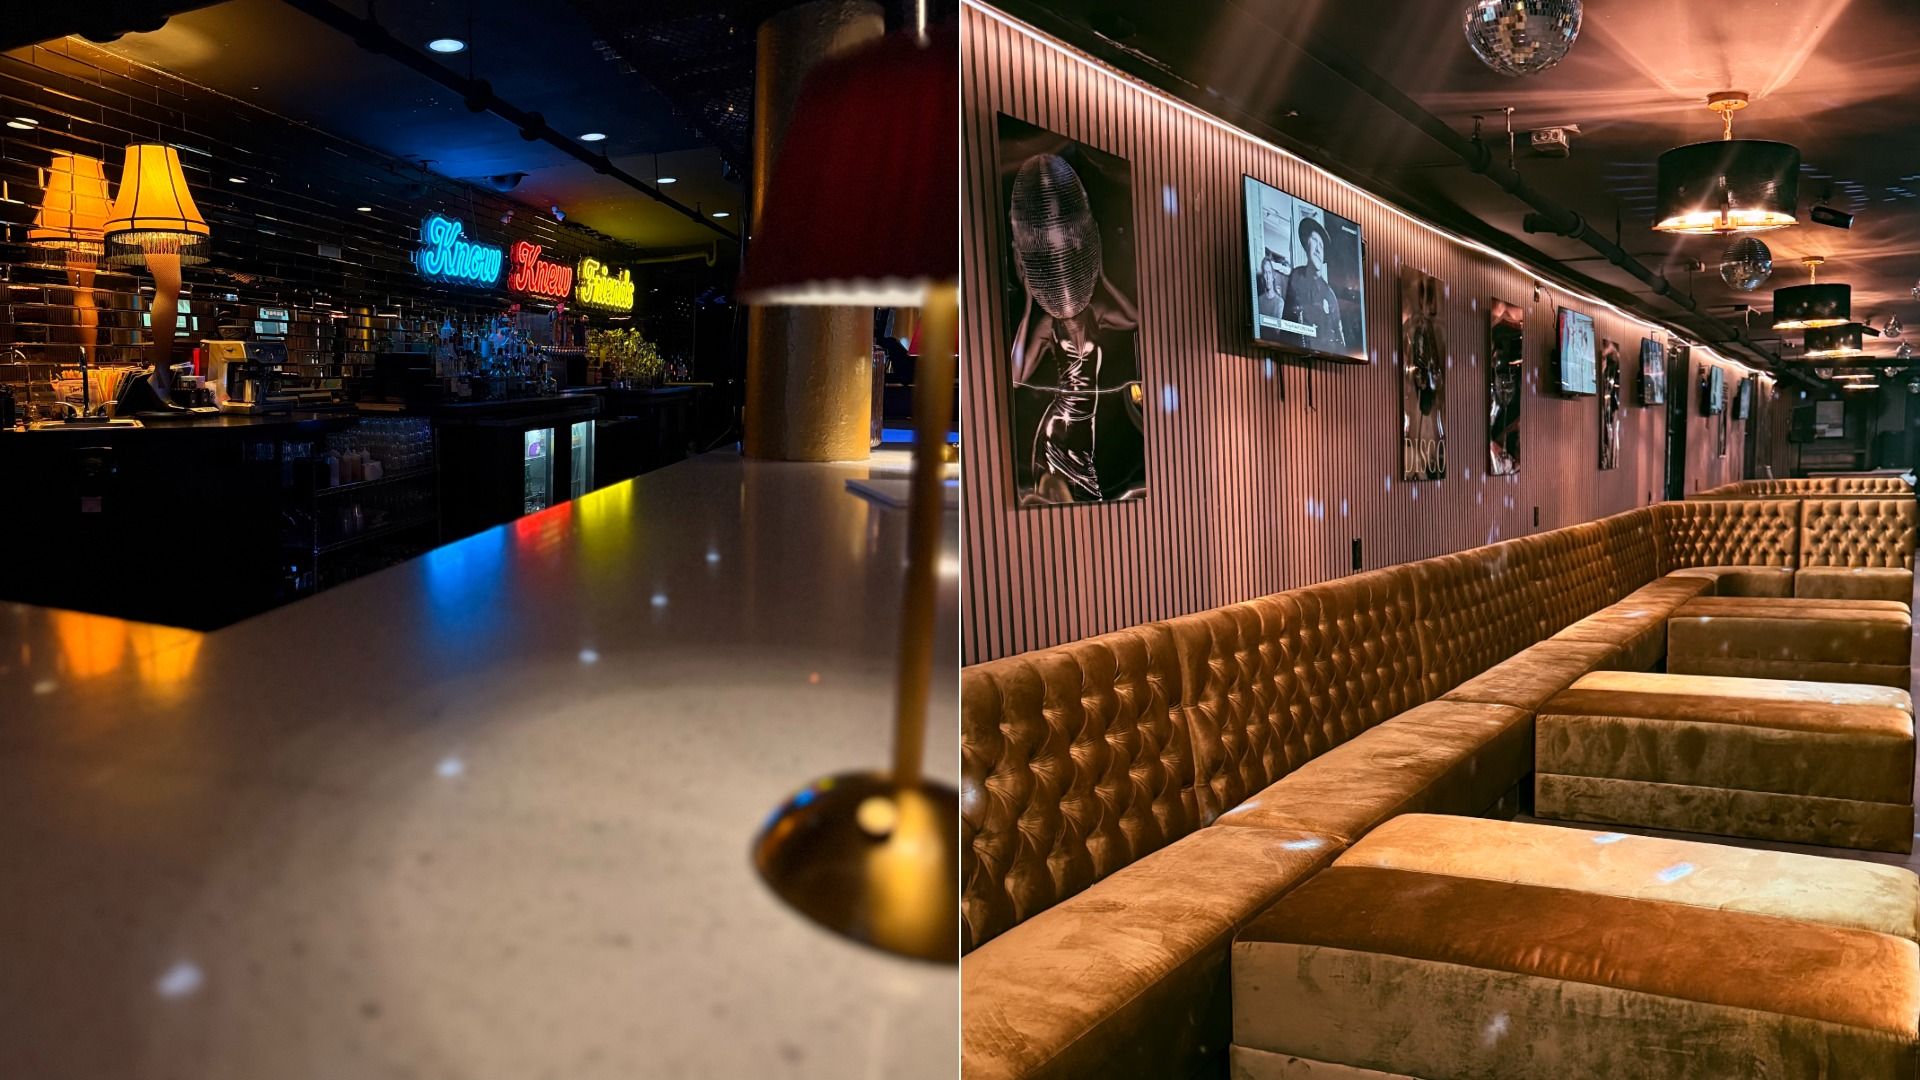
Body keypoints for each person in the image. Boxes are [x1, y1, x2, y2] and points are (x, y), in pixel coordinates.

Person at [1282, 214, 1346, 353]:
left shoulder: (1330, 296)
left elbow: (1340, 340)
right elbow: (1286, 321)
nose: (1318, 249)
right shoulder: (1295, 276)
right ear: (1306, 243)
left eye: (1321, 246)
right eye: (1315, 241)